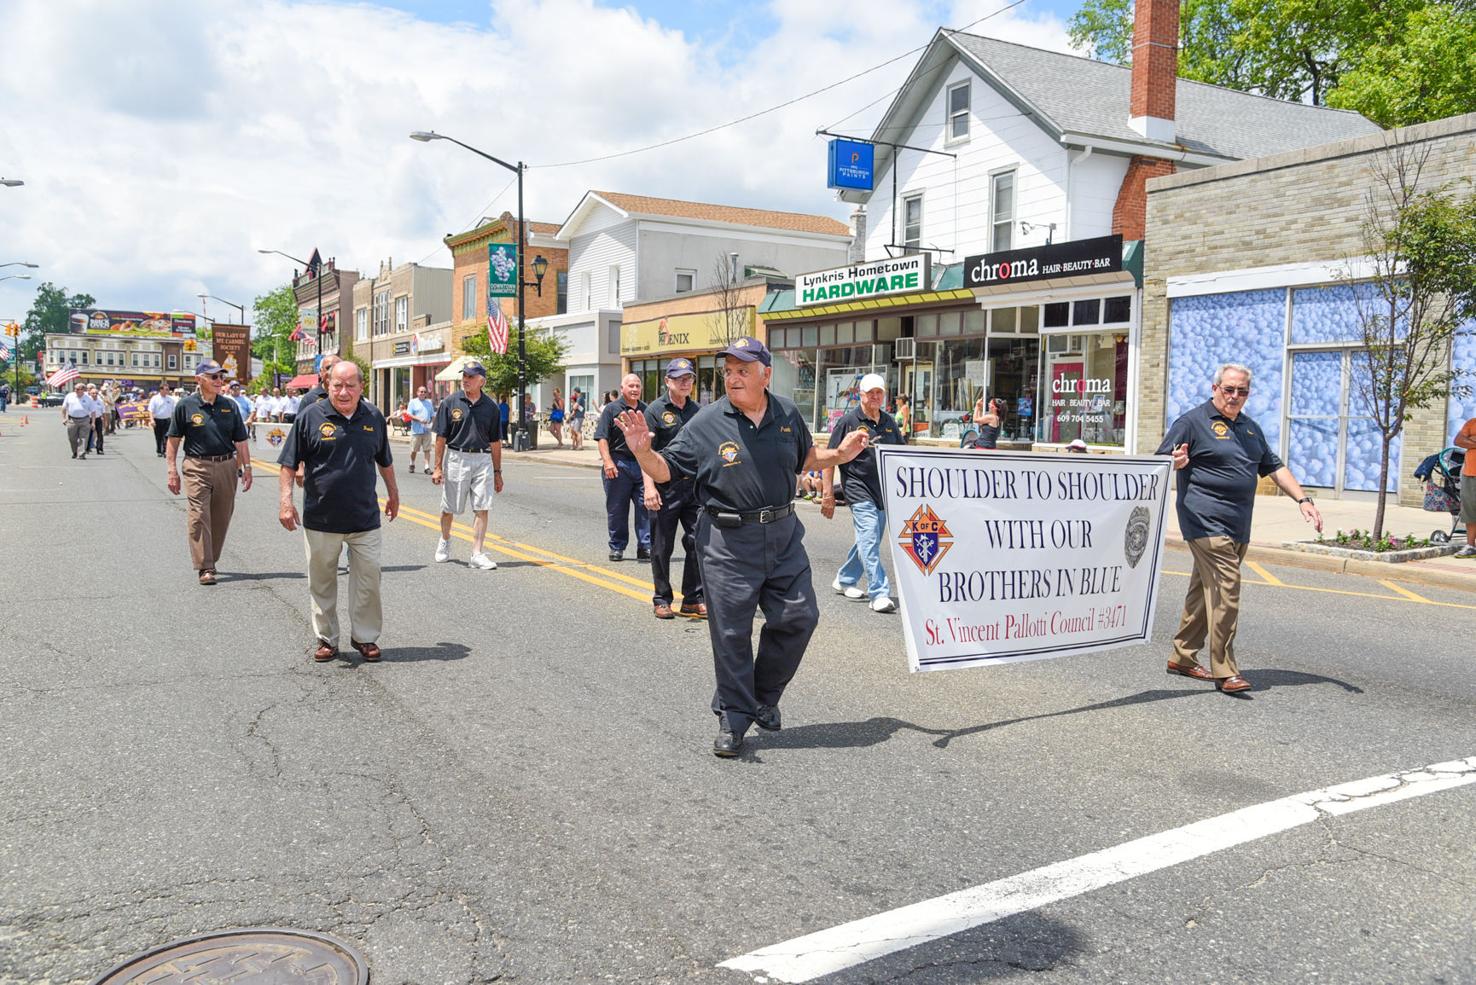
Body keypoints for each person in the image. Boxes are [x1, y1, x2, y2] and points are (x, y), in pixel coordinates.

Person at [616, 336, 870, 758]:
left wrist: (839, 455)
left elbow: (804, 459)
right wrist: (644, 452)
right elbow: (666, 470)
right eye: (728, 370)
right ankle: (734, 717)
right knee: (732, 633)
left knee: (800, 617)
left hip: (784, 534)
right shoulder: (705, 423)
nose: (732, 378)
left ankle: (763, 697)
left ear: (765, 374)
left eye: (742, 370)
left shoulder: (787, 412)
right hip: (727, 541)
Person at [1156, 363, 1322, 694]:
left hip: (1237, 523)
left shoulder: (1249, 428)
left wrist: (1303, 500)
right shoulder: (1192, 422)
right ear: (1215, 388)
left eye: (1241, 391)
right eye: (1229, 389)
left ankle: (1183, 656)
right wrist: (1176, 462)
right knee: (1227, 589)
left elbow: (1274, 467)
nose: (1234, 396)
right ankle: (1225, 670)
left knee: (1204, 592)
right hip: (1203, 519)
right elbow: (1161, 460)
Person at [277, 360, 399, 663]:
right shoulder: (310, 417)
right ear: (327, 385)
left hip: (365, 518)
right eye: (337, 386)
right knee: (321, 581)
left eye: (350, 385)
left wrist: (394, 494)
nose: (344, 392)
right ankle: (327, 639)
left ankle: (365, 637)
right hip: (322, 518)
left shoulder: (373, 417)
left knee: (369, 580)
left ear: (361, 387)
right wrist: (285, 501)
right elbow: (289, 463)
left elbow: (384, 460)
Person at [821, 372, 903, 613]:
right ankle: (879, 593)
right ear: (861, 395)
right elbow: (829, 458)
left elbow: (902, 456)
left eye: (880, 392)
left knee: (869, 539)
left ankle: (845, 578)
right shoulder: (848, 421)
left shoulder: (889, 422)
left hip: (882, 491)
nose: (876, 397)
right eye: (871, 393)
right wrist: (828, 494)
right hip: (858, 488)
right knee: (869, 535)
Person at [166, 359, 252, 586]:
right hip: (197, 466)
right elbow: (173, 440)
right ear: (199, 379)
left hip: (226, 465)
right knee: (198, 515)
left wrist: (248, 467)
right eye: (213, 377)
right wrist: (171, 470)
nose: (219, 381)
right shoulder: (185, 405)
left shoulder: (229, 406)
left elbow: (241, 440)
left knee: (222, 516)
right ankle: (205, 566)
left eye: (221, 377)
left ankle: (211, 557)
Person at [642, 358, 704, 620]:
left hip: (694, 489)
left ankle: (692, 598)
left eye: (689, 377)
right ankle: (662, 598)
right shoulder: (654, 411)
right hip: (664, 488)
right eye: (679, 378)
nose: (685, 382)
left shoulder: (699, 411)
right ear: (667, 381)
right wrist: (649, 488)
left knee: (697, 541)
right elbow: (645, 453)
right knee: (661, 546)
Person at [431, 360, 503, 570]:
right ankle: (444, 540)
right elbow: (441, 438)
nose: (466, 380)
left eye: (471, 377)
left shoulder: (491, 407)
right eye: (464, 376)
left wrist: (498, 472)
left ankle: (477, 553)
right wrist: (437, 467)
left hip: (482, 459)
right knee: (449, 507)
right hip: (456, 457)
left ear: (482, 381)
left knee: (483, 506)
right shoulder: (450, 403)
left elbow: (496, 442)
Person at [595, 373, 650, 562]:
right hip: (619, 464)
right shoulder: (611, 409)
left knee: (646, 507)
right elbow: (602, 437)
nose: (635, 389)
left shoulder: (646, 410)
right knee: (617, 508)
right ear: (622, 388)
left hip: (642, 463)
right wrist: (608, 461)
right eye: (631, 386)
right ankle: (617, 546)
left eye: (637, 386)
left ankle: (645, 546)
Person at [1454, 415, 1476, 559]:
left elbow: (1465, 441)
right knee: (1470, 510)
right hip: (1470, 474)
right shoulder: (1472, 423)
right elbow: (1458, 440)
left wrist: (1471, 441)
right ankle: (1470, 546)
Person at [407, 385, 436, 473]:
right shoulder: (413, 402)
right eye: (421, 392)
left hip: (426, 430)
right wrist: (419, 419)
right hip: (416, 430)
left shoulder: (429, 403)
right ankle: (412, 463)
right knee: (414, 450)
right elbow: (409, 414)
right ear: (417, 393)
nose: (423, 393)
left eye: (424, 392)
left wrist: (431, 422)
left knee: (427, 449)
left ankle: (426, 467)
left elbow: (432, 415)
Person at [61, 380, 93, 459]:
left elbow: (93, 411)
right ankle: (75, 452)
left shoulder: (88, 398)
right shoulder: (69, 396)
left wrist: (93, 422)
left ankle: (81, 454)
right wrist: (64, 418)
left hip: (85, 419)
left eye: (78, 389)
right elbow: (64, 408)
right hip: (72, 420)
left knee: (83, 437)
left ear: (83, 390)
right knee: (72, 438)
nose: (76, 390)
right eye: (75, 389)